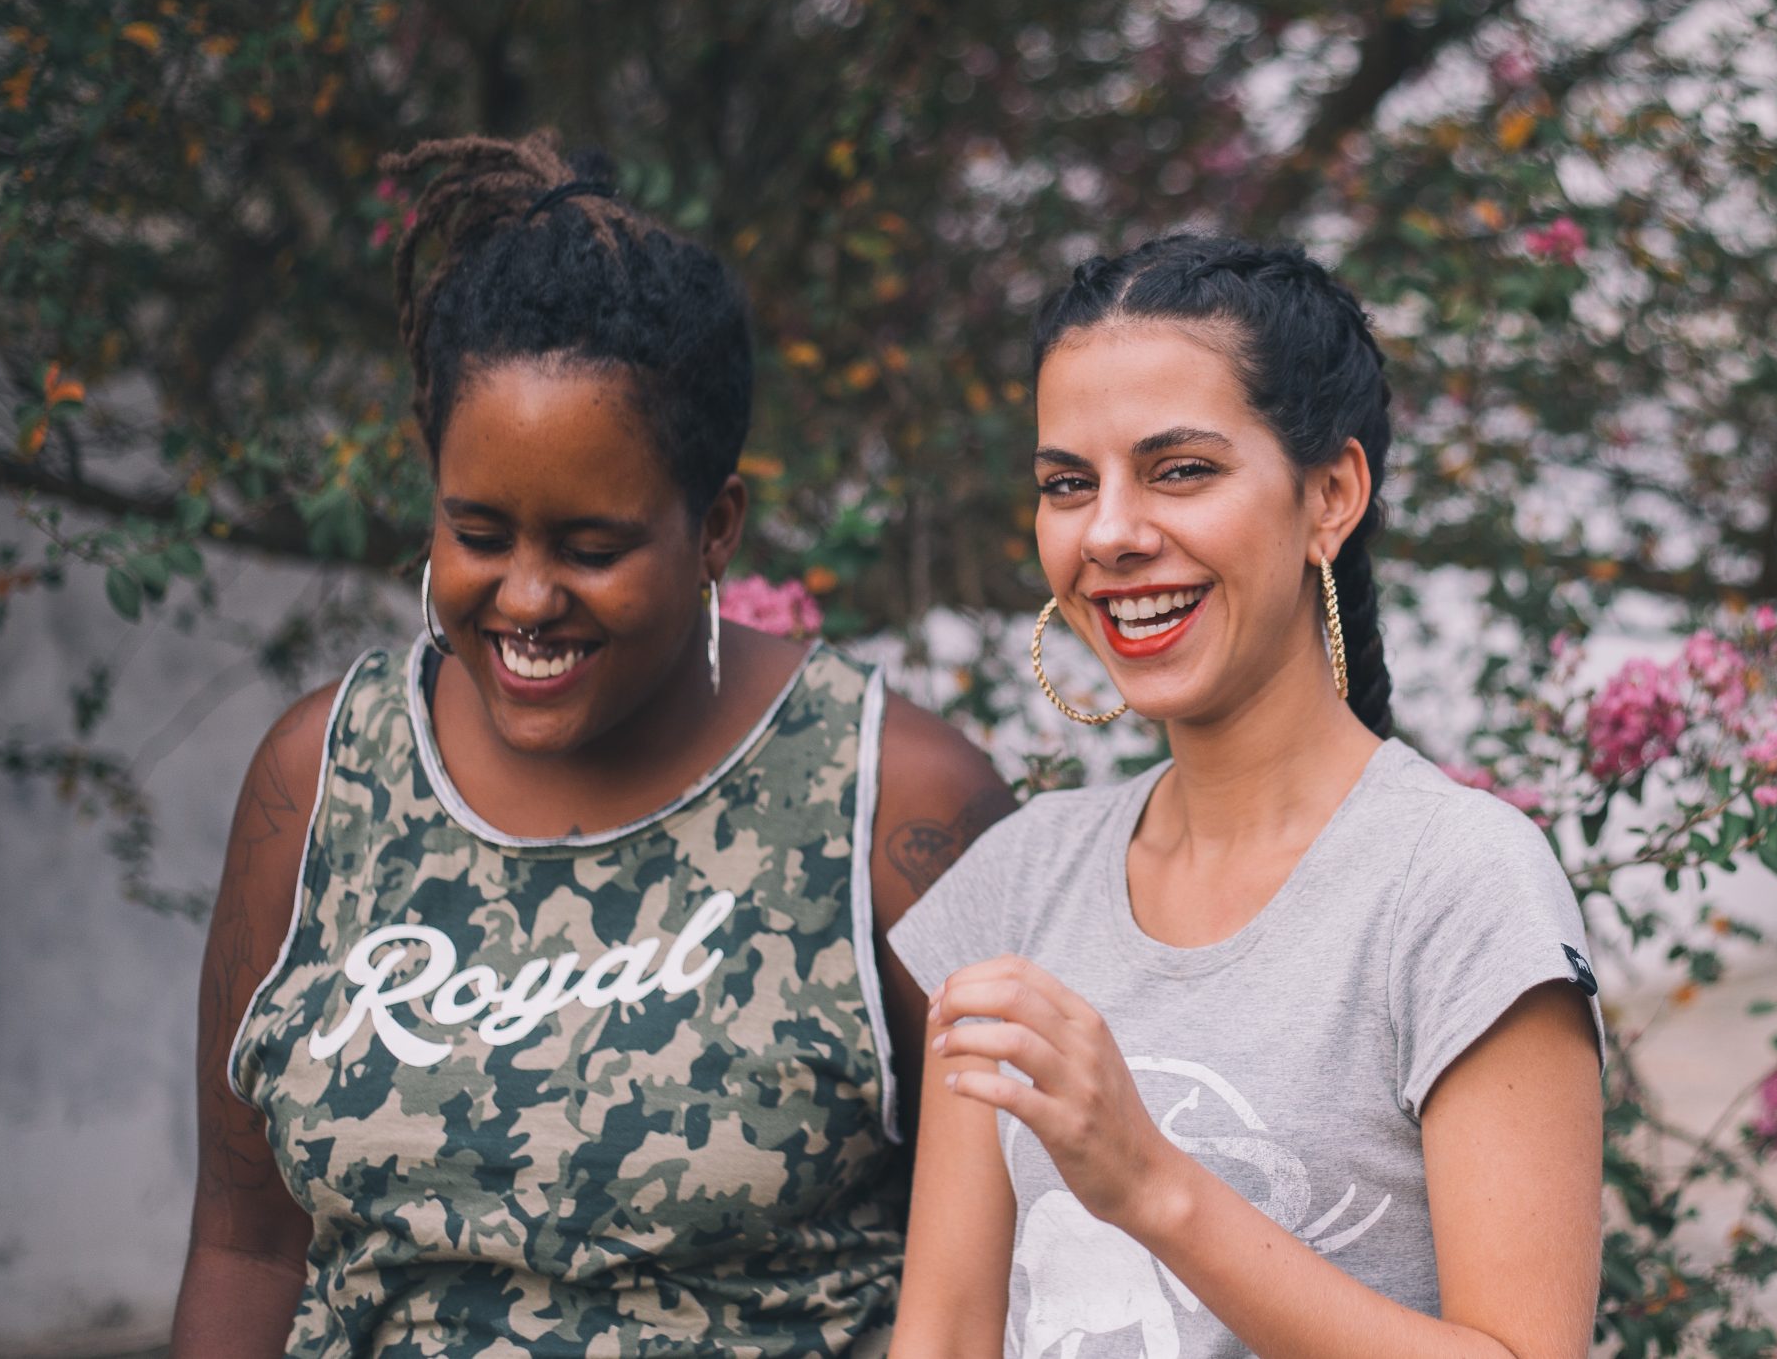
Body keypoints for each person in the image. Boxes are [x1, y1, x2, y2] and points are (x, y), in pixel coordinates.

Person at [168, 131, 1012, 1358]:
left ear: (714, 526)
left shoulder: (892, 808)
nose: (521, 598)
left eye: (590, 547)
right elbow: (246, 1247)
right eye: (477, 531)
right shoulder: (318, 783)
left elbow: (1017, 1275)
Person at [888, 235, 1605, 1358]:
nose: (1109, 533)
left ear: (1330, 496)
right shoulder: (1022, 883)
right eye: (1067, 484)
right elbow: (943, 1335)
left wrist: (1151, 1187)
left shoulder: (1457, 886)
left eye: (1178, 470)